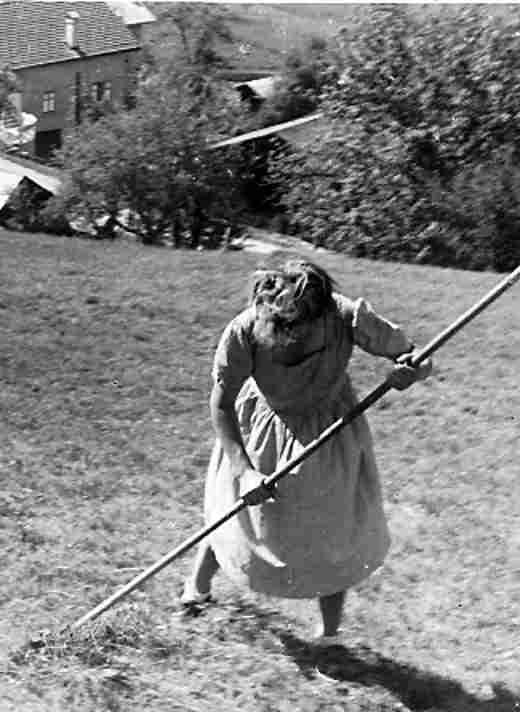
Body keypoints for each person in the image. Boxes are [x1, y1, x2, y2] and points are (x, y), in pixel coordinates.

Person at [180, 258, 433, 645]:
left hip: (331, 434)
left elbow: (419, 356)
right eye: (286, 328)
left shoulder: (346, 316)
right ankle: (196, 592)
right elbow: (220, 404)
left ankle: (330, 634)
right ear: (270, 315)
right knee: (233, 513)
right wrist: (244, 471)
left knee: (333, 528)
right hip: (259, 431)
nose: (297, 338)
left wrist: (408, 372)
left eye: (308, 325)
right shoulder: (244, 330)